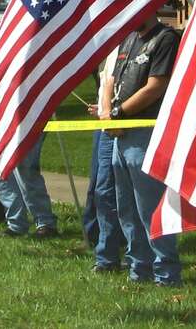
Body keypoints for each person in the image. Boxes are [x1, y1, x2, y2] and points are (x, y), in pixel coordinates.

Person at [99, 10, 181, 286]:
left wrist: (118, 114)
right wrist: (108, 116)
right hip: (119, 135)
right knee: (127, 209)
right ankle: (139, 270)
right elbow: (110, 81)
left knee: (151, 207)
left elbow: (156, 86)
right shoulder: (128, 39)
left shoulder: (165, 38)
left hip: (146, 133)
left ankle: (167, 274)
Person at [85, 46, 124, 271]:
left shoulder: (131, 42)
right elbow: (107, 83)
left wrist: (114, 113)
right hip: (105, 125)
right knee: (103, 191)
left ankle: (136, 253)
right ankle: (107, 257)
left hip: (127, 125)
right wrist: (103, 108)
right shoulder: (108, 46)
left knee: (128, 195)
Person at [0, 135, 58, 238]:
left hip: (27, 122)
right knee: (0, 167)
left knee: (25, 167)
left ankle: (46, 224)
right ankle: (16, 224)